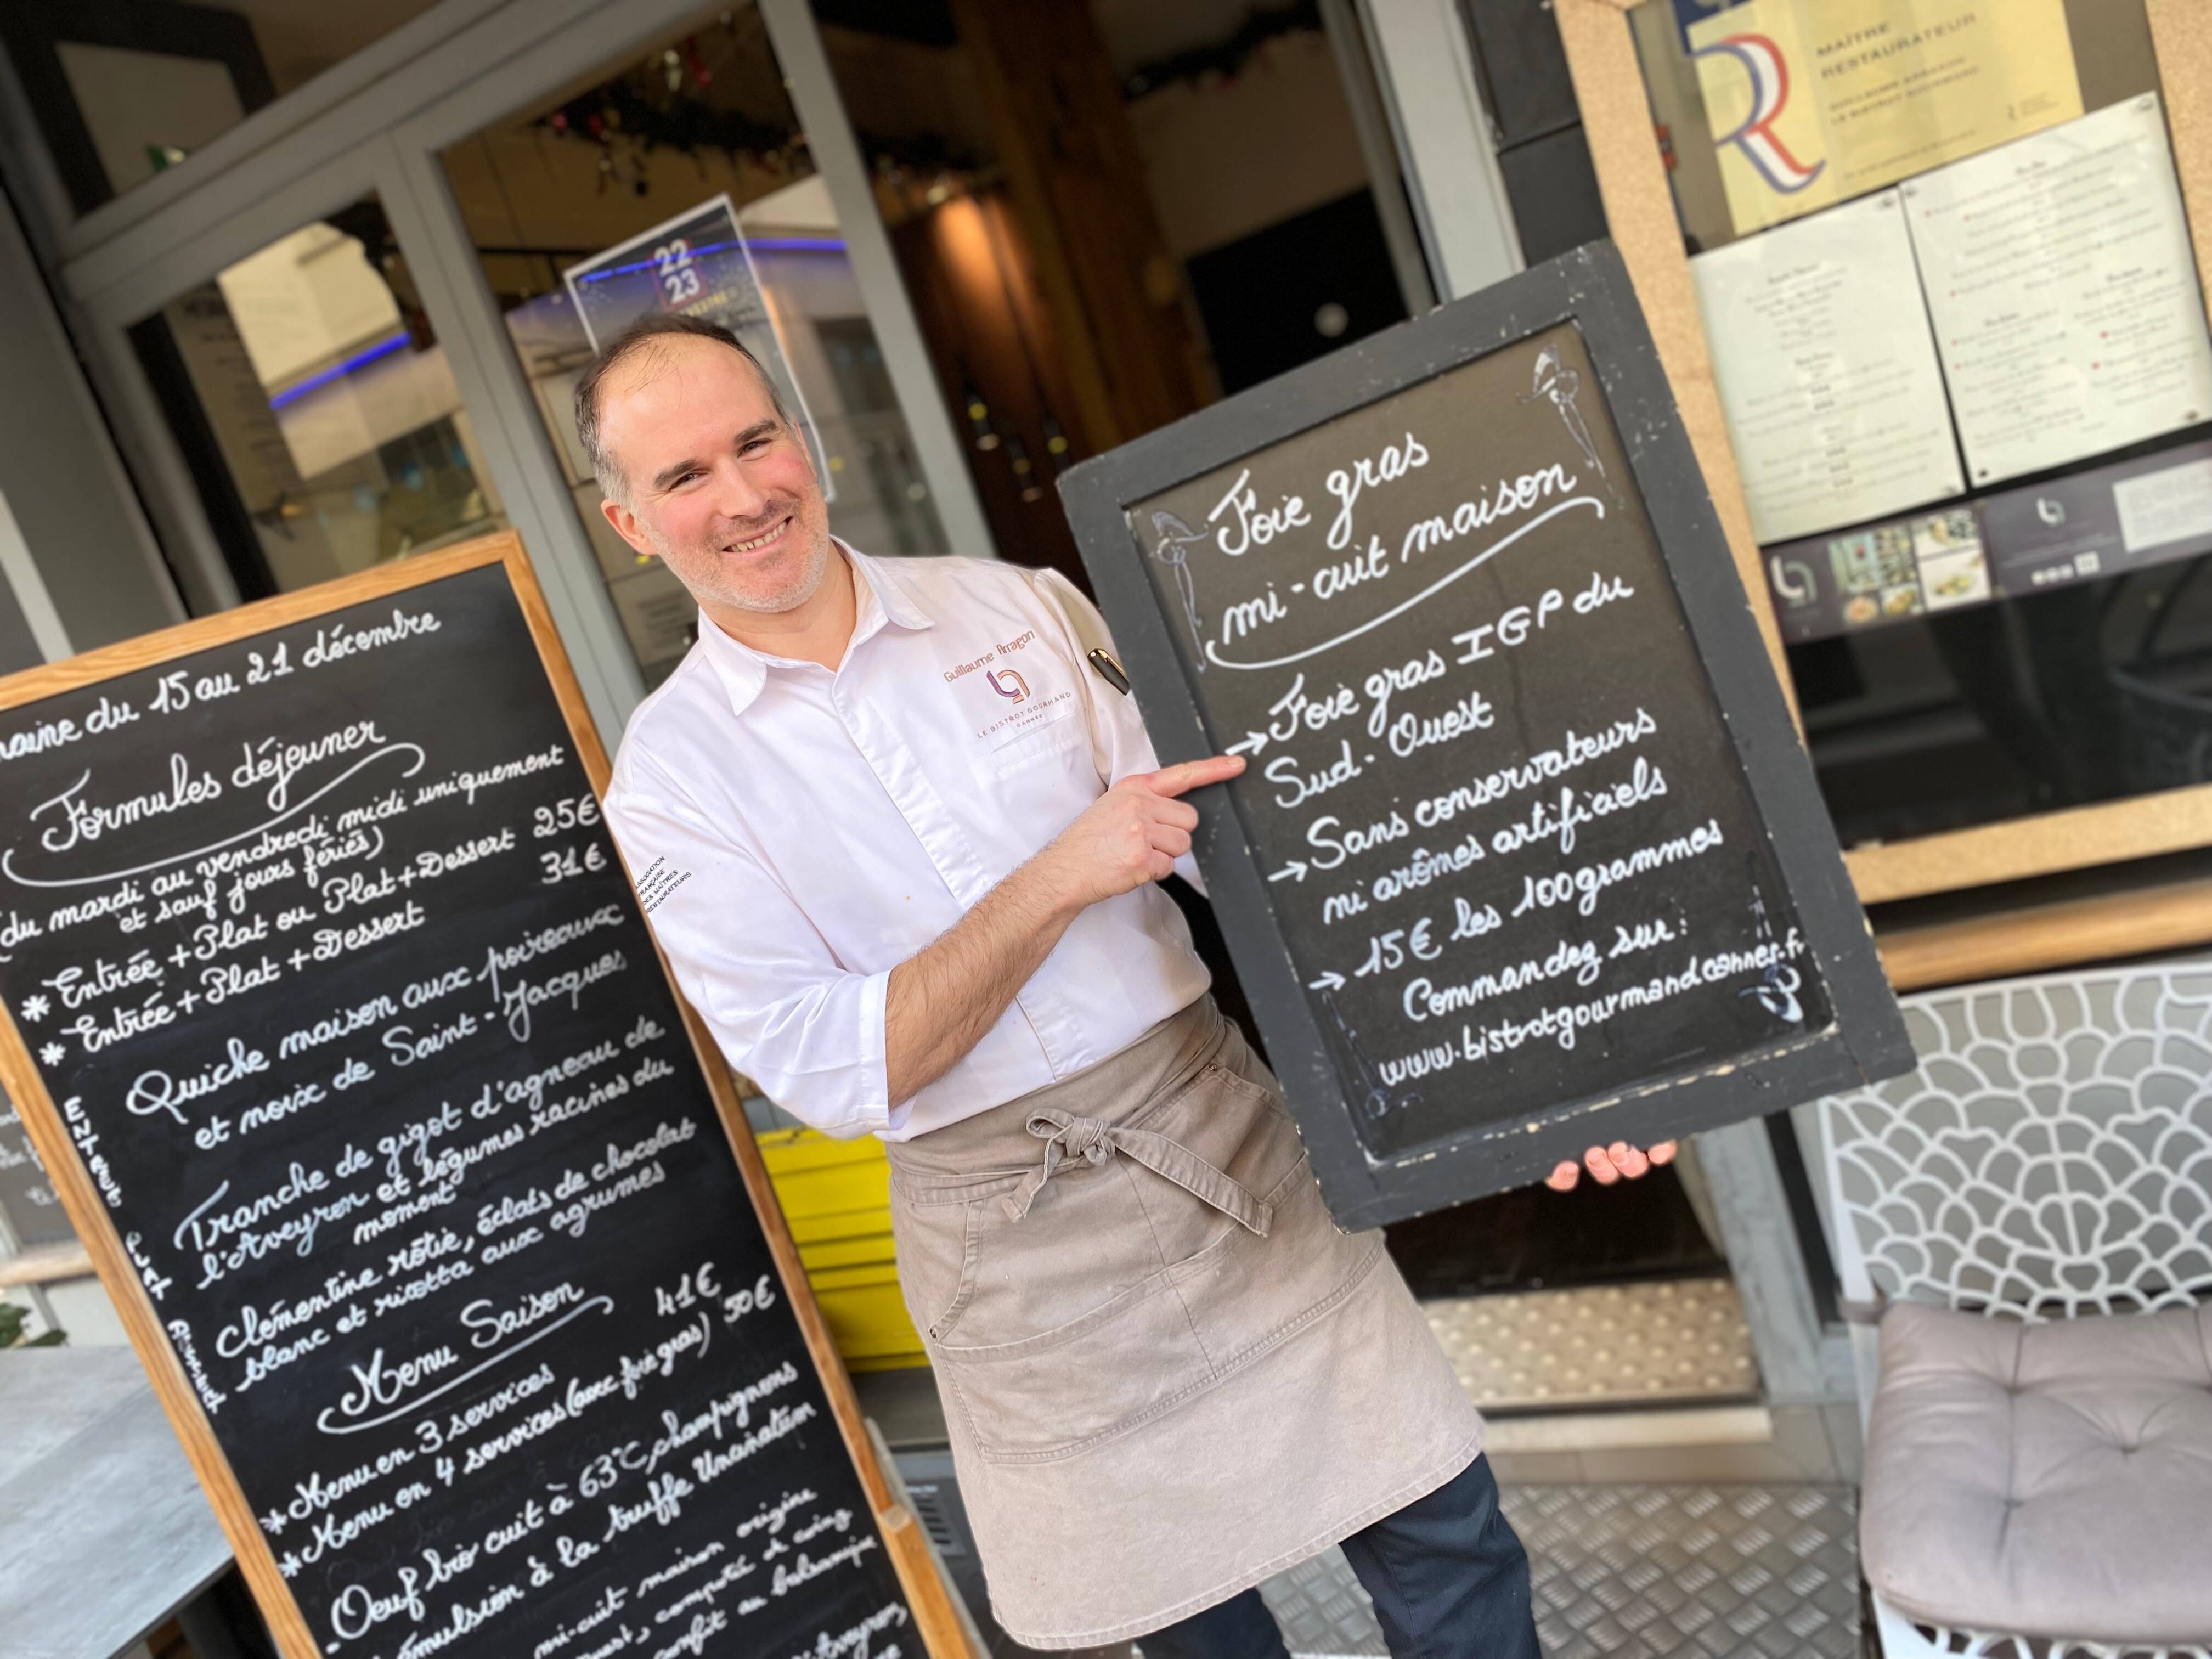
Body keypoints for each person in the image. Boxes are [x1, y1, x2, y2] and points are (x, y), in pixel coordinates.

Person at [589, 313, 1674, 1657]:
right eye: (685, 476)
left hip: (1221, 1142)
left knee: (1448, 1540)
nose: (745, 495)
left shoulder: (1020, 608)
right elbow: (836, 1070)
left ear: (803, 440)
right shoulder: (672, 784)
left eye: (757, 442)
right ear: (629, 522)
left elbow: (1270, 863)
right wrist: (1059, 875)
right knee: (1196, 1634)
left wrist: (1531, 1065)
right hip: (1010, 1246)